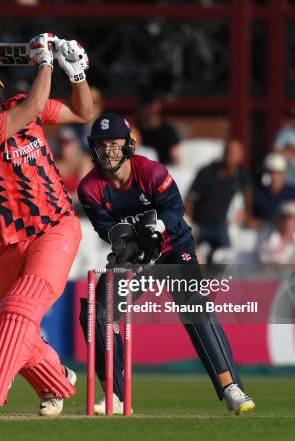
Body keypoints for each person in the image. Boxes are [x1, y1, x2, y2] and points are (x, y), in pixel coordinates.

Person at [77, 113, 255, 416]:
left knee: (193, 305)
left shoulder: (152, 172)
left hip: (173, 247)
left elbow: (176, 208)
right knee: (97, 311)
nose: (108, 151)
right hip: (135, 258)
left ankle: (230, 388)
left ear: (128, 145)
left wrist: (155, 230)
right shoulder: (90, 188)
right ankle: (117, 396)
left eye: (115, 144)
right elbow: (107, 229)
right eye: (102, 144)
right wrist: (128, 245)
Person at [0, 33, 93, 418]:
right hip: (14, 240)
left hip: (55, 227)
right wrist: (45, 61)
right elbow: (36, 101)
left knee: (19, 307)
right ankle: (57, 383)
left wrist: (76, 72)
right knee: (20, 325)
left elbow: (83, 113)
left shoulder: (22, 106)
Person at [185, 139, 251, 262]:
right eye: (228, 152)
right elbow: (189, 199)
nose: (230, 156)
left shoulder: (241, 175)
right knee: (192, 257)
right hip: (199, 223)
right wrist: (189, 223)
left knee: (227, 257)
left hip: (220, 224)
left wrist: (247, 214)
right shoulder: (206, 172)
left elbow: (248, 192)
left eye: (234, 153)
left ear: (241, 157)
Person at [252, 153, 295, 225]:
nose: (274, 177)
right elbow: (252, 218)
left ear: (284, 174)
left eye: (278, 173)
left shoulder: (292, 193)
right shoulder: (257, 193)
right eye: (271, 173)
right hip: (262, 231)